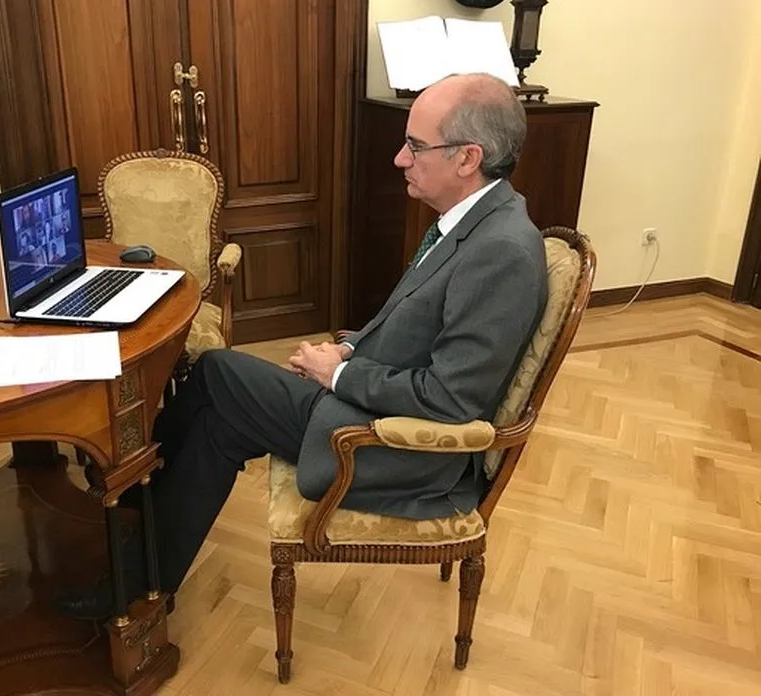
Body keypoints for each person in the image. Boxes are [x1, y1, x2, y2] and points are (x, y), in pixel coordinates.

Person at [54, 72, 549, 620]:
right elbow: (416, 331)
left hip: (398, 448)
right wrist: (350, 351)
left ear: (467, 157)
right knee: (219, 417)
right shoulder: (473, 224)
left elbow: (450, 400)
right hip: (370, 402)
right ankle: (140, 563)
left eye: (414, 146)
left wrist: (338, 375)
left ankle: (135, 511)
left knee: (217, 373)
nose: (399, 159)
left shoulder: (501, 250)